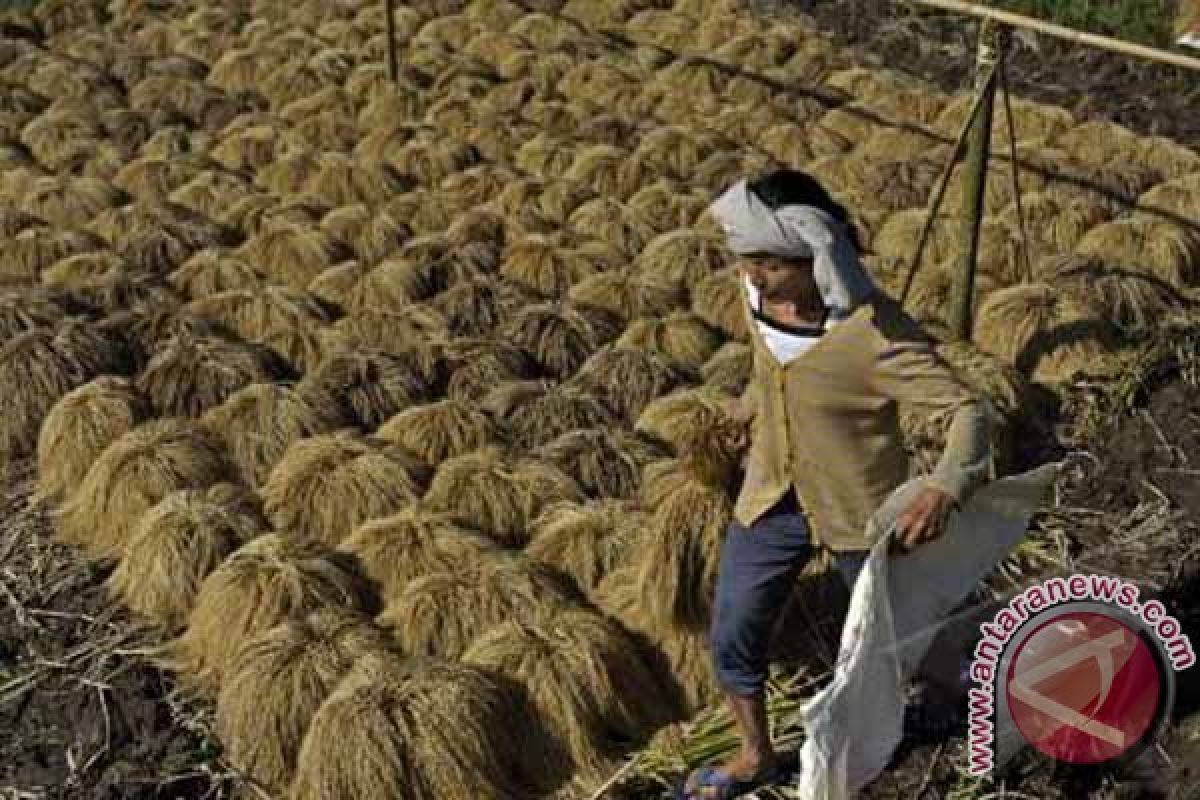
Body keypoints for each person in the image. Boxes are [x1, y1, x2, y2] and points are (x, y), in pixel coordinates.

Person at [679, 169, 994, 800]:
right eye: (747, 261)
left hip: (858, 508)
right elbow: (772, 369)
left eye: (768, 264)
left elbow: (967, 409)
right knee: (734, 626)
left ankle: (962, 700)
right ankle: (754, 755)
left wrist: (942, 487)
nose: (753, 276)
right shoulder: (756, 298)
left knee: (902, 636)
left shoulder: (872, 335)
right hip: (772, 495)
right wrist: (746, 416)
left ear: (812, 257)